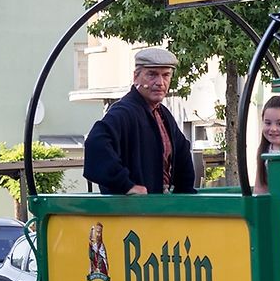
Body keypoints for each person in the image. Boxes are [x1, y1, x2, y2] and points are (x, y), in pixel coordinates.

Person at [84, 46, 197, 194]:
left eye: (166, 75)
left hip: (160, 207)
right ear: (136, 76)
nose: (160, 82)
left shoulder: (163, 115)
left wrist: (185, 194)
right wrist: (126, 185)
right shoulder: (124, 112)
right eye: (152, 75)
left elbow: (182, 155)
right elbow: (96, 144)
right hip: (131, 211)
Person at [255, 94, 280, 195]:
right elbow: (260, 186)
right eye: (268, 123)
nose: (273, 129)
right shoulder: (264, 151)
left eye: (279, 123)